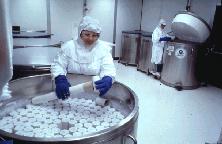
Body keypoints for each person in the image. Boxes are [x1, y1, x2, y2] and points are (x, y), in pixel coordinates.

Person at [51, 16, 116, 100]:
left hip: (93, 92)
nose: (90, 38)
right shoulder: (69, 47)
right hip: (69, 90)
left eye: (94, 35)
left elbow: (108, 68)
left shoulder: (103, 49)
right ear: (80, 33)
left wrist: (108, 78)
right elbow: (58, 65)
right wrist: (60, 79)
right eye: (87, 34)